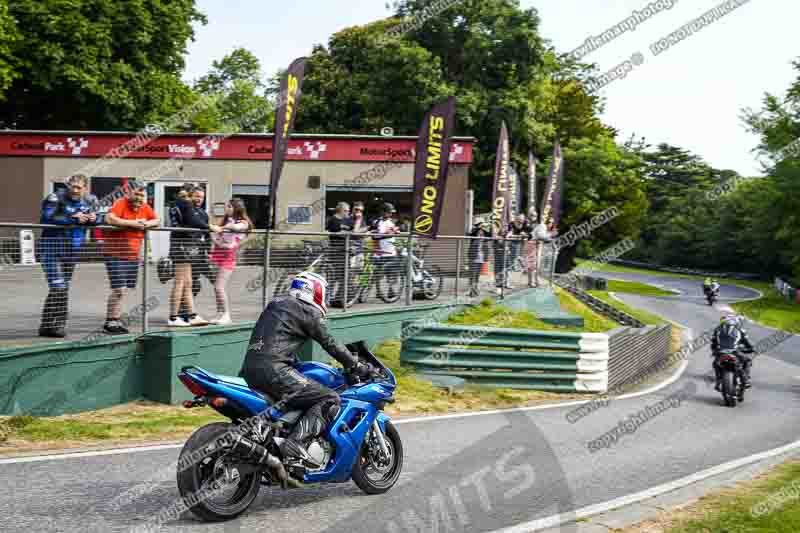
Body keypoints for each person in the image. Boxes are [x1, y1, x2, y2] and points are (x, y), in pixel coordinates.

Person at [238, 271, 374, 464]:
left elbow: (277, 340)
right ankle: (295, 443)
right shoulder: (307, 311)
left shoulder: (275, 304)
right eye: (323, 292)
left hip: (249, 371)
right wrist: (355, 364)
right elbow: (330, 343)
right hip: (275, 371)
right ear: (314, 291)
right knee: (329, 398)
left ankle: (276, 438)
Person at [39, 174, 103, 338]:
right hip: (51, 248)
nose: (74, 190)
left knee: (61, 288)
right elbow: (46, 217)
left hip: (72, 250)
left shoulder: (91, 200)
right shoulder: (55, 197)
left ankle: (46, 326)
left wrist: (94, 219)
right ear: (67, 186)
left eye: (78, 187)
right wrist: (72, 217)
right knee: (59, 287)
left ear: (85, 188)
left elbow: (101, 218)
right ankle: (58, 326)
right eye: (72, 186)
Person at [101, 182, 160, 334]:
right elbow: (110, 219)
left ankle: (116, 319)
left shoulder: (145, 207)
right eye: (137, 194)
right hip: (115, 253)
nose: (140, 198)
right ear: (129, 194)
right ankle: (111, 321)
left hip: (132, 256)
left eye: (142, 195)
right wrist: (134, 224)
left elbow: (157, 221)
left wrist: (145, 223)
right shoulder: (121, 203)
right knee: (118, 289)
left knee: (124, 289)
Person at [168, 185, 221, 327]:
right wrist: (211, 227)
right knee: (180, 282)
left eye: (201, 197)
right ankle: (173, 317)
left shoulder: (194, 209)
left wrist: (208, 249)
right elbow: (193, 222)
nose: (198, 199)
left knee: (189, 283)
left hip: (192, 249)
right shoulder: (183, 205)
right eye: (195, 195)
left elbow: (201, 227)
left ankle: (192, 315)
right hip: (181, 246)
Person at [209, 198, 253, 325]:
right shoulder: (226, 220)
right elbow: (217, 238)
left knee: (219, 287)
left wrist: (222, 229)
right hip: (217, 255)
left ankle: (226, 315)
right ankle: (219, 313)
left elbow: (235, 228)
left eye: (229, 206)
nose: (226, 208)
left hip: (228, 259)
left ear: (236, 208)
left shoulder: (243, 223)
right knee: (216, 288)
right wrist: (217, 235)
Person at [711, 313, 756, 391]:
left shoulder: (717, 329)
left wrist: (715, 351)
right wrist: (751, 349)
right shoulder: (741, 330)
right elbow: (747, 343)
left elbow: (713, 343)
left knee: (715, 363)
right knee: (747, 361)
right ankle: (746, 380)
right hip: (735, 352)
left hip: (721, 352)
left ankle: (718, 381)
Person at [325, 202, 353, 307]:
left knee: (345, 276)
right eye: (346, 211)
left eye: (348, 211)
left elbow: (354, 231)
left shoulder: (348, 220)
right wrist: (346, 233)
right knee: (332, 277)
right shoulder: (333, 220)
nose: (348, 213)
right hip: (336, 251)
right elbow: (334, 232)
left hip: (345, 252)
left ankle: (339, 298)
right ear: (340, 210)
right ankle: (327, 299)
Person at [372, 203, 402, 300]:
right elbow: (374, 236)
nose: (390, 214)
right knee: (378, 273)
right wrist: (387, 233)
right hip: (379, 252)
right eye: (389, 212)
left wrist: (395, 232)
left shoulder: (391, 222)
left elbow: (394, 233)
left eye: (391, 212)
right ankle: (378, 291)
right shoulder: (376, 222)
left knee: (391, 272)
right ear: (383, 212)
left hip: (391, 251)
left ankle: (390, 290)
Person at [467, 216, 491, 298]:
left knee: (477, 275)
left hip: (481, 257)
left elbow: (490, 235)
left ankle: (475, 289)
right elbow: (471, 233)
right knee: (472, 275)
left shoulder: (483, 231)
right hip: (473, 256)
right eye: (482, 225)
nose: (483, 227)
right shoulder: (474, 231)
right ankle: (471, 291)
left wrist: (490, 226)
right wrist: (478, 227)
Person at [507, 213, 532, 286]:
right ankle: (507, 281)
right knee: (509, 263)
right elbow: (510, 232)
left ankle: (520, 263)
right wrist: (510, 234)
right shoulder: (511, 224)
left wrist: (525, 234)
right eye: (519, 219)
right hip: (512, 245)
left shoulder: (526, 224)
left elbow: (531, 233)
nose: (521, 221)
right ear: (516, 218)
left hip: (521, 246)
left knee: (520, 258)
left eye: (522, 219)